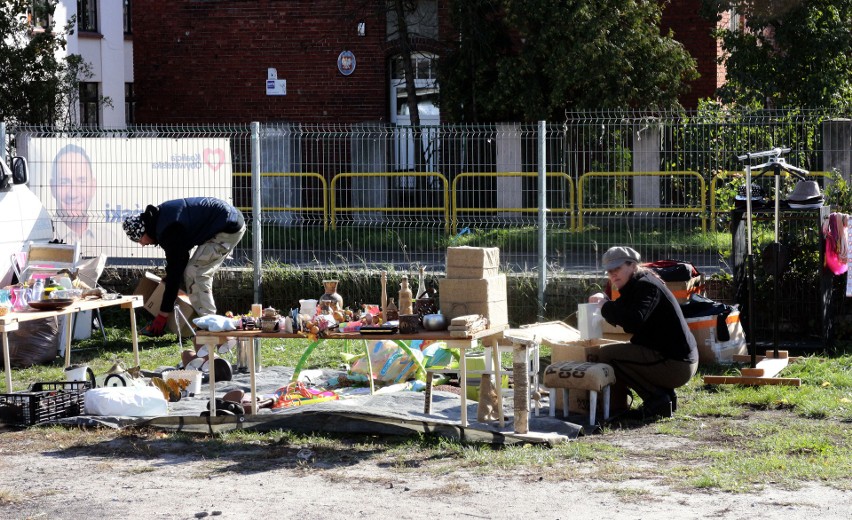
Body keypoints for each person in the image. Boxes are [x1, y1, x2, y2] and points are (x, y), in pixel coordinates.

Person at [588, 246, 698, 420]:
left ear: (632, 265)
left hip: (677, 364)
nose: (613, 274)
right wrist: (606, 301)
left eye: (617, 268)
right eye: (609, 271)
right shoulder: (639, 283)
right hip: (676, 359)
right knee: (618, 352)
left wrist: (605, 306)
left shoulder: (645, 286)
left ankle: (657, 400)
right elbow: (625, 311)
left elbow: (633, 320)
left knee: (607, 355)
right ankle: (665, 396)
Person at [122, 197, 246, 336]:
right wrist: (170, 278)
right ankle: (207, 322)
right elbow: (179, 260)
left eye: (139, 239)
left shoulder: (169, 230)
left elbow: (176, 267)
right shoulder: (159, 219)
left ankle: (212, 327)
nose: (142, 244)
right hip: (226, 220)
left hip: (227, 228)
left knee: (196, 273)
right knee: (193, 271)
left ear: (143, 231)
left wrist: (163, 315)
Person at [50, 144, 97, 244]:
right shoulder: (43, 240)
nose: (73, 194)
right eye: (64, 182)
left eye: (82, 181)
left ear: (93, 187)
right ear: (52, 188)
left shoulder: (110, 239)